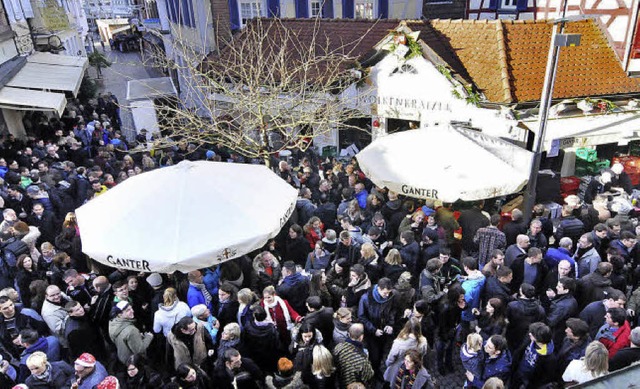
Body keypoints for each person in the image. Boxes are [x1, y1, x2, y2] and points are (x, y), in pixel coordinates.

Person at [357, 277, 396, 379]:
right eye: (385, 293)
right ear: (378, 289)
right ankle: (372, 372)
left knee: (381, 352)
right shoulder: (365, 298)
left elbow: (393, 311)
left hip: (384, 331)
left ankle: (377, 369)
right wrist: (373, 330)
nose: (387, 296)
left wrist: (390, 324)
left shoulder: (390, 296)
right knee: (374, 355)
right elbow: (361, 317)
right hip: (371, 332)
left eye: (388, 293)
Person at [383, 318, 428, 385]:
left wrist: (388, 364)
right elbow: (423, 354)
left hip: (398, 368)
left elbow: (391, 358)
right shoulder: (423, 341)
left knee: (396, 383)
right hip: (413, 367)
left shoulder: (399, 342)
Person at [512, 322, 557, 389]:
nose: (529, 334)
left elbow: (544, 377)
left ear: (539, 338)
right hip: (519, 371)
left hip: (529, 380)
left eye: (532, 334)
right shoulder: (529, 340)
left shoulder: (549, 358)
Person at [108, 300, 154, 366]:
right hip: (134, 361)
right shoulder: (132, 330)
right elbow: (139, 350)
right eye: (128, 310)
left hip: (123, 356)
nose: (132, 311)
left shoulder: (113, 322)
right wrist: (149, 337)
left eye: (131, 308)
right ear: (120, 314)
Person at [505, 283, 545, 350]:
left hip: (513, 333)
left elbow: (507, 319)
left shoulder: (512, 305)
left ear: (521, 292)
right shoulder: (540, 309)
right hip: (528, 336)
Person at [333, 323, 374, 387]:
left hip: (339, 382)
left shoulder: (338, 347)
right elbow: (368, 375)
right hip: (354, 386)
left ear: (349, 334)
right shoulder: (362, 358)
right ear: (361, 337)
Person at [261, 285, 301, 350]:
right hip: (273, 330)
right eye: (265, 298)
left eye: (269, 297)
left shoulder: (283, 302)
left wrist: (298, 318)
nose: (267, 300)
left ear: (274, 295)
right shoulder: (263, 304)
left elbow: (291, 312)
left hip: (284, 328)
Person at [242, 305, 279, 373]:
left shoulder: (248, 326)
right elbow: (276, 344)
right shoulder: (271, 329)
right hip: (268, 355)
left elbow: (244, 341)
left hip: (254, 354)